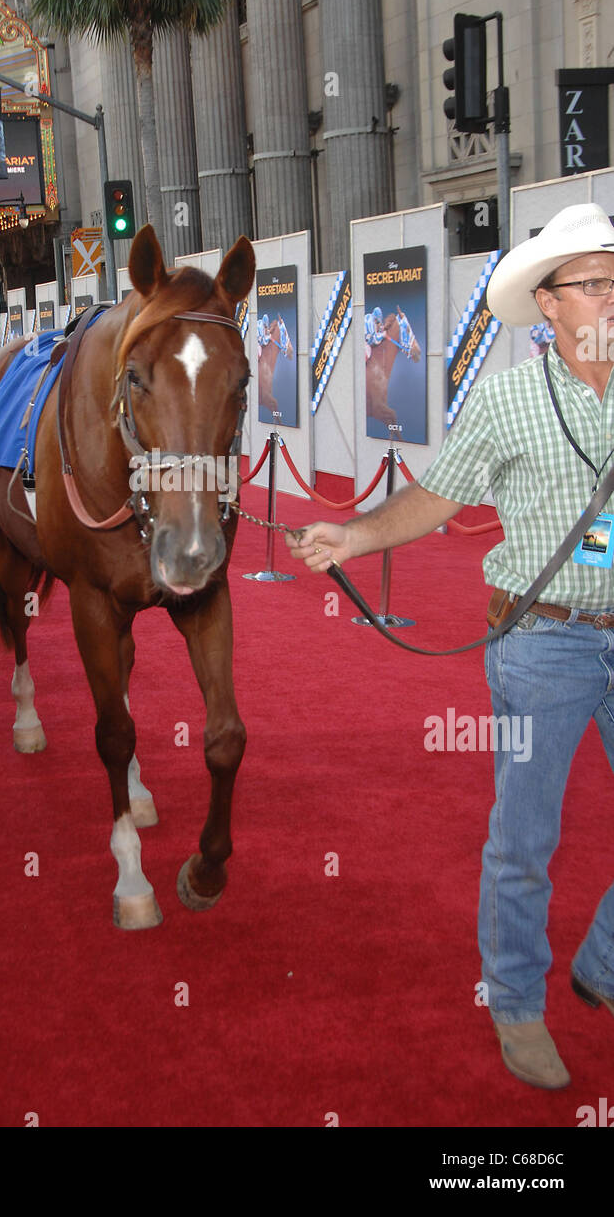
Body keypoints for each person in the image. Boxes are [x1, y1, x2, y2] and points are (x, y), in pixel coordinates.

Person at [287, 204, 614, 1091]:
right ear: (547, 304)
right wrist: (353, 538)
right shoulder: (506, 401)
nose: (611, 299)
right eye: (594, 284)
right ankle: (514, 1002)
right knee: (523, 839)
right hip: (540, 644)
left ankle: (603, 965)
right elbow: (434, 497)